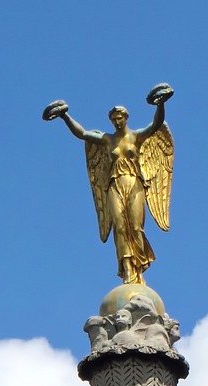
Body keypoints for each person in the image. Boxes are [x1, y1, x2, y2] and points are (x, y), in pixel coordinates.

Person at [43, 86, 174, 286]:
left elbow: (156, 124)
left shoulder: (137, 136)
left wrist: (161, 103)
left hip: (135, 182)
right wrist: (64, 116)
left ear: (126, 118)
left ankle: (140, 266)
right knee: (120, 227)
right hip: (115, 184)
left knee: (136, 227)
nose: (116, 121)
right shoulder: (107, 139)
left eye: (119, 118)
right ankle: (128, 270)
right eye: (113, 119)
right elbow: (83, 134)